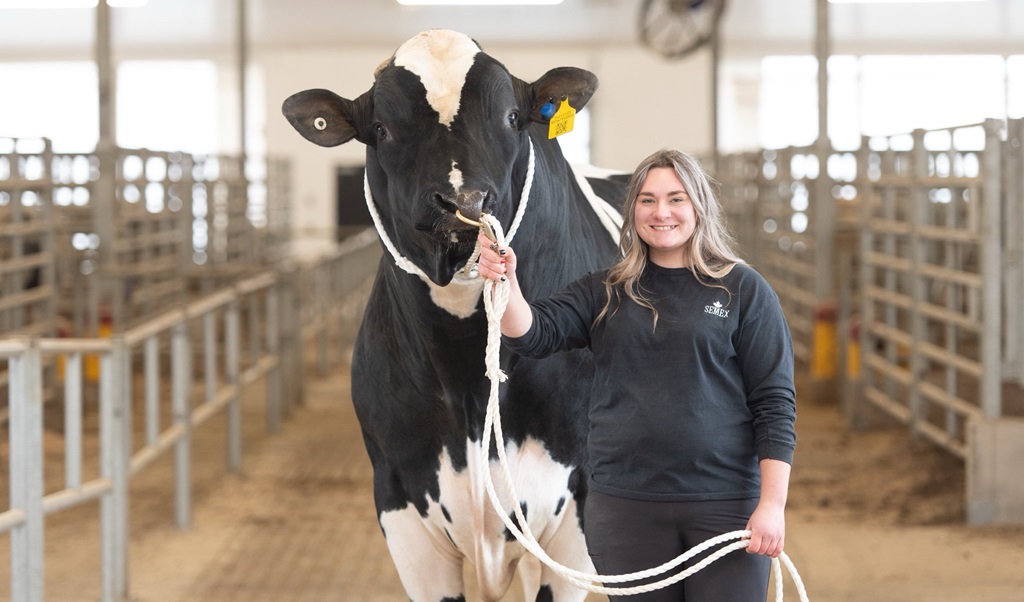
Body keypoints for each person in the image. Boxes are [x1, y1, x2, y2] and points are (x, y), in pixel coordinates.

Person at [475, 148, 796, 601]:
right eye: (647, 200)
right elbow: (531, 333)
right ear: (633, 211)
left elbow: (774, 403)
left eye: (675, 199)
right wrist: (506, 282)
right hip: (626, 508)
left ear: (699, 206)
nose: (660, 212)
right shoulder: (605, 291)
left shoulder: (742, 290)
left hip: (724, 506)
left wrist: (772, 505)